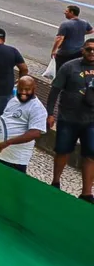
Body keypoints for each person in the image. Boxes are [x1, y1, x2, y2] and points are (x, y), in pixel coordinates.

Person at [47, 37, 94, 199]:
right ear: (83, 50)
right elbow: (55, 90)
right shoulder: (69, 67)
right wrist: (50, 113)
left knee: (90, 155)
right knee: (62, 151)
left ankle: (87, 192)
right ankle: (55, 182)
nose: (92, 52)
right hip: (68, 118)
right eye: (89, 49)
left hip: (91, 122)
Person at [0, 75, 46, 174]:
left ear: (34, 89)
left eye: (27, 89)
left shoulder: (37, 108)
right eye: (20, 89)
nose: (23, 92)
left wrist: (7, 143)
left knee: (12, 187)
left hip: (15, 160)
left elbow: (35, 133)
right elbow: (2, 120)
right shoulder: (13, 100)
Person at [51, 4, 93, 72]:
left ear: (72, 12)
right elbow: (91, 30)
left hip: (65, 53)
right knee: (75, 69)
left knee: (61, 70)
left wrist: (54, 51)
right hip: (79, 52)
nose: (65, 12)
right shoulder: (84, 22)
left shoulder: (65, 24)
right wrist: (81, 32)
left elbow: (59, 38)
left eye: (67, 11)